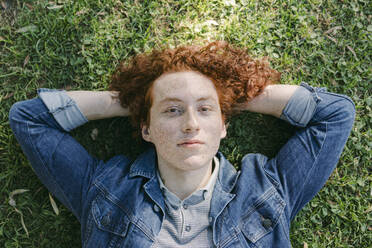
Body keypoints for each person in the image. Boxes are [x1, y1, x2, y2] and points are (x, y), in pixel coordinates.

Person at [9, 41, 355, 247]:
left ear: (224, 125)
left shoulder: (266, 190)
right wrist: (129, 102)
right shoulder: (105, 190)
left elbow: (336, 114)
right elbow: (29, 119)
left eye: (204, 110)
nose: (191, 124)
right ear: (146, 129)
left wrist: (234, 97)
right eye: (172, 110)